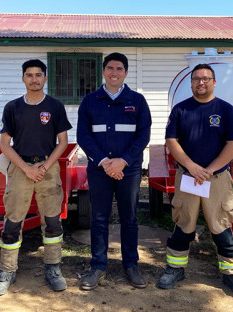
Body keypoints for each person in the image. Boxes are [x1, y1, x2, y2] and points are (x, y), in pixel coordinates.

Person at [157, 63, 233, 297]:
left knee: (221, 227)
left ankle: (231, 275)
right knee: (183, 225)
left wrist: (209, 170)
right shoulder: (180, 110)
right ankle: (175, 269)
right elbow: (171, 141)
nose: (201, 82)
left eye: (206, 78)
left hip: (216, 178)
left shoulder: (226, 110)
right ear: (191, 83)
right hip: (188, 178)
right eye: (197, 79)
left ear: (214, 82)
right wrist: (191, 166)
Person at [0, 59, 72, 296]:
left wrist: (45, 166)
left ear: (45, 78)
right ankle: (7, 271)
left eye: (39, 75)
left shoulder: (55, 106)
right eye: (29, 75)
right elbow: (5, 145)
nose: (34, 79)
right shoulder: (13, 107)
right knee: (13, 220)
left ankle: (53, 268)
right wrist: (26, 169)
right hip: (20, 167)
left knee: (53, 221)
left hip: (48, 167)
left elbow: (63, 142)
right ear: (23, 78)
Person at [76, 52, 152, 290]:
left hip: (128, 171)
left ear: (126, 73)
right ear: (103, 71)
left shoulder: (137, 101)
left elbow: (143, 135)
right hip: (99, 170)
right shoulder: (90, 101)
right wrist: (104, 162)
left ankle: (131, 265)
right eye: (110, 68)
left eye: (119, 69)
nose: (114, 73)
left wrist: (123, 162)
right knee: (99, 219)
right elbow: (83, 136)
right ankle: (98, 266)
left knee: (129, 218)